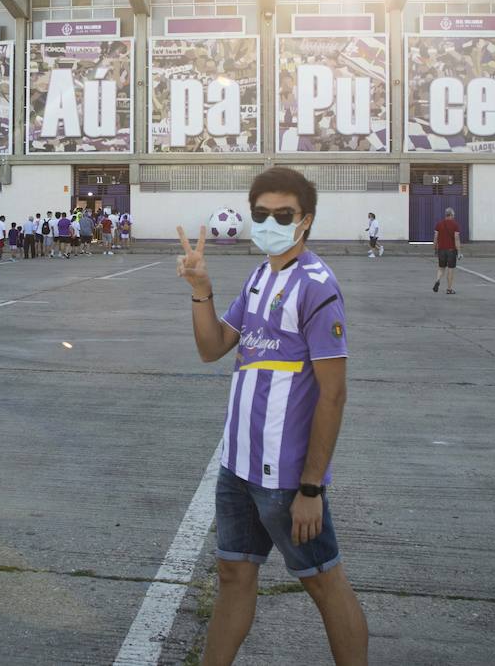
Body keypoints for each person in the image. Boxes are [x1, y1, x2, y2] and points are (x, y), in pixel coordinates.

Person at [175, 166, 368, 666]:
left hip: (286, 480)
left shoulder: (317, 287)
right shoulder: (261, 276)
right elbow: (213, 347)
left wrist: (311, 488)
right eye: (261, 214)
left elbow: (334, 395)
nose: (271, 222)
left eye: (284, 215)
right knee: (234, 576)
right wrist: (200, 288)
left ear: (305, 220)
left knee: (324, 583)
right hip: (236, 467)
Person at [432, 208, 462, 294]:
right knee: (450, 269)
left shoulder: (439, 224)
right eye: (453, 215)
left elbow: (435, 237)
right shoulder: (455, 225)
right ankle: (449, 289)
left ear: (446, 215)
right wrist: (459, 251)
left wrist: (435, 248)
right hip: (451, 250)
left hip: (441, 250)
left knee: (441, 268)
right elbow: (456, 239)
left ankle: (437, 280)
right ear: (451, 215)